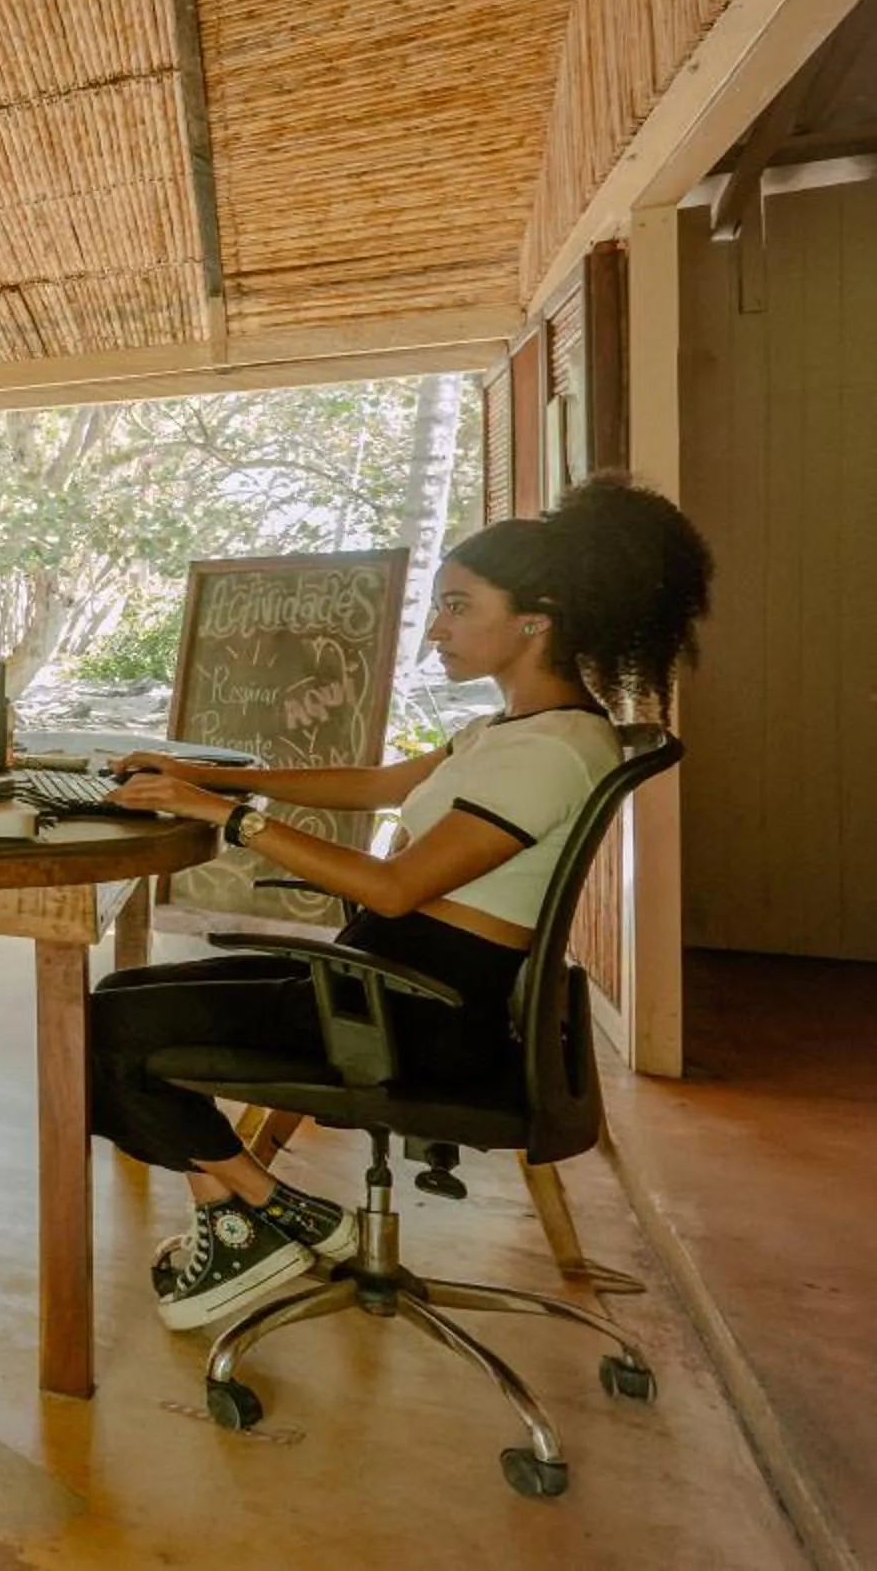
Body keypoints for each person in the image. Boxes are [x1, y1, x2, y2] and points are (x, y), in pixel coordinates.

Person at [97, 475, 712, 1330]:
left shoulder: (549, 752)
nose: (437, 632)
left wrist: (227, 817)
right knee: (113, 1003)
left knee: (98, 1030)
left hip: (423, 1014)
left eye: (459, 607)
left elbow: (396, 886)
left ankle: (263, 1208)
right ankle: (255, 1209)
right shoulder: (511, 730)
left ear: (538, 617)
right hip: (393, 984)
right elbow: (377, 784)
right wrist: (207, 773)